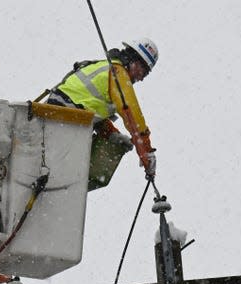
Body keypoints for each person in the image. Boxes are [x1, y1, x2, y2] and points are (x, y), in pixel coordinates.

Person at [47, 38, 159, 189]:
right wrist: (145, 150)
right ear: (132, 59)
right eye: (141, 70)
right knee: (63, 179)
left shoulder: (105, 67)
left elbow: (87, 106)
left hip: (59, 116)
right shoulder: (117, 73)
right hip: (64, 118)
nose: (140, 78)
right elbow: (130, 111)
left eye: (145, 74)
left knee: (59, 176)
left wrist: (111, 133)